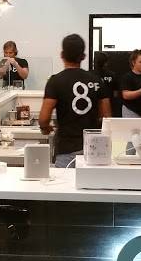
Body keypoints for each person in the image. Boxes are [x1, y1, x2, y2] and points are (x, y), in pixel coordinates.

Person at [39, 34, 112, 168]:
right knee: (91, 181)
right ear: (83, 56)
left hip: (66, 148)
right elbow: (106, 117)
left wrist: (46, 129)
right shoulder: (96, 80)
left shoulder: (55, 81)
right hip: (93, 148)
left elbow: (43, 119)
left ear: (62, 55)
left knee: (65, 181)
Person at [91, 52, 121, 117]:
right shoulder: (112, 75)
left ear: (94, 62)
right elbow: (115, 93)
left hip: (93, 107)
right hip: (109, 106)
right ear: (106, 63)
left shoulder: (89, 75)